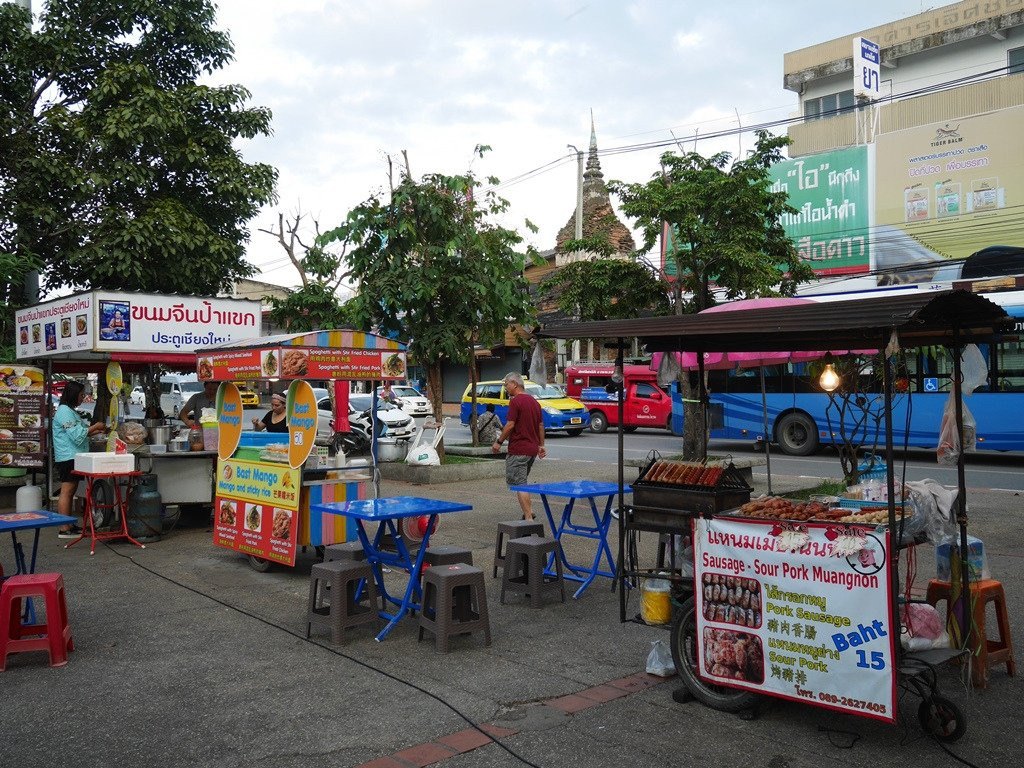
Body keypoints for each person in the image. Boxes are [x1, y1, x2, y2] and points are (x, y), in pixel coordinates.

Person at [52, 381, 107, 538]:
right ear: (73, 395)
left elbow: (81, 432)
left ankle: (68, 524)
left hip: (74, 455)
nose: (83, 398)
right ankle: (64, 527)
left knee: (71, 491)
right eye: (81, 395)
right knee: (67, 491)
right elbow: (76, 435)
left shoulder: (70, 411)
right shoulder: (64, 411)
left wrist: (95, 431)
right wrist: (95, 426)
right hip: (67, 456)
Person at [492, 372, 546, 520]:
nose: (505, 388)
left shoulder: (516, 401)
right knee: (522, 482)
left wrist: (499, 442)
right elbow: (541, 425)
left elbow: (510, 425)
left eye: (506, 385)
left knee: (519, 484)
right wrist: (541, 445)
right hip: (531, 450)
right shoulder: (534, 402)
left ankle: (528, 518)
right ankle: (529, 512)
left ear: (514, 384)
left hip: (518, 450)